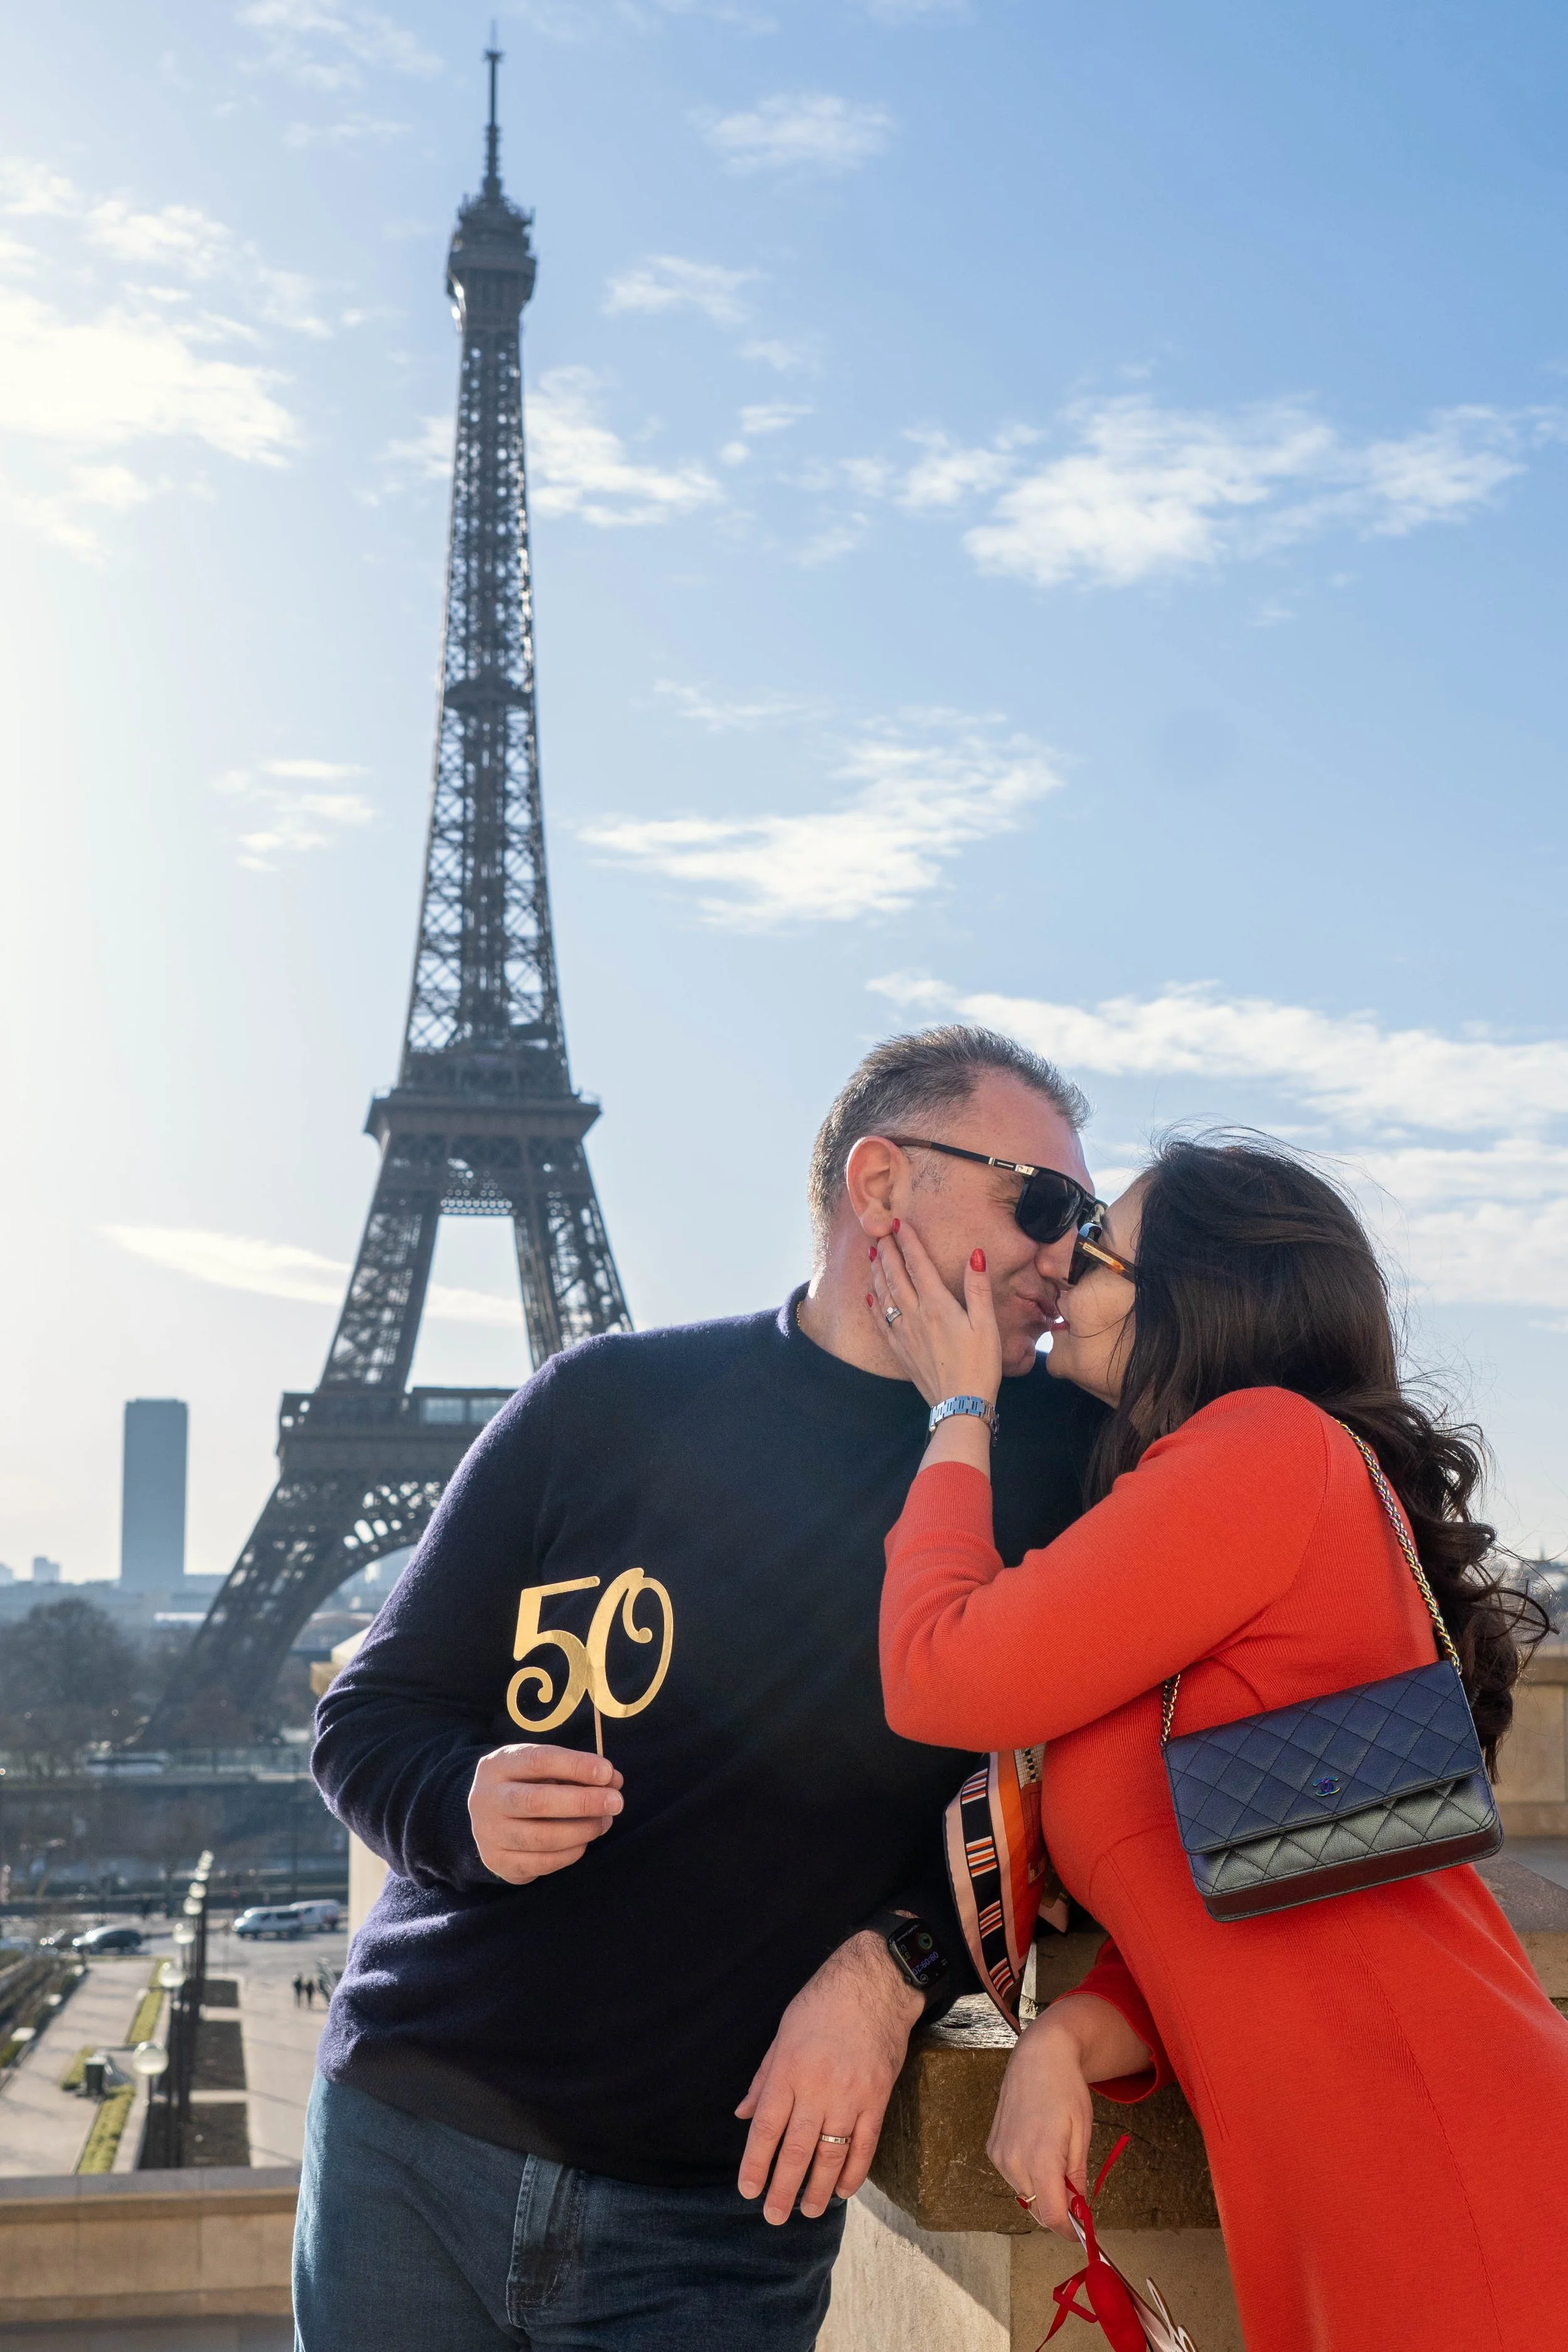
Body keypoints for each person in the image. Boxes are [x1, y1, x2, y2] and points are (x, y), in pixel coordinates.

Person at [295, 1026, 1108, 2352]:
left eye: (1081, 1222)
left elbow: (1085, 1796)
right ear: (882, 1183)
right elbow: (369, 1717)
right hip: (407, 2144)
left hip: (710, 2222)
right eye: (1042, 1204)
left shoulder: (1064, 1472)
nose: (1063, 1254)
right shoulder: (599, 1403)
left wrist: (896, 1964)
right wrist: (460, 1802)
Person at [872, 1135, 1568, 2352]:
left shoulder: (1265, 1449)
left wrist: (959, 1408)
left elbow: (941, 1672)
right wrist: (1069, 2036)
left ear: (1200, 1295)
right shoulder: (1252, 1497)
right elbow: (1272, 1878)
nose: (1059, 1264)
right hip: (1358, 2183)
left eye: (1093, 1249)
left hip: (1441, 2171)